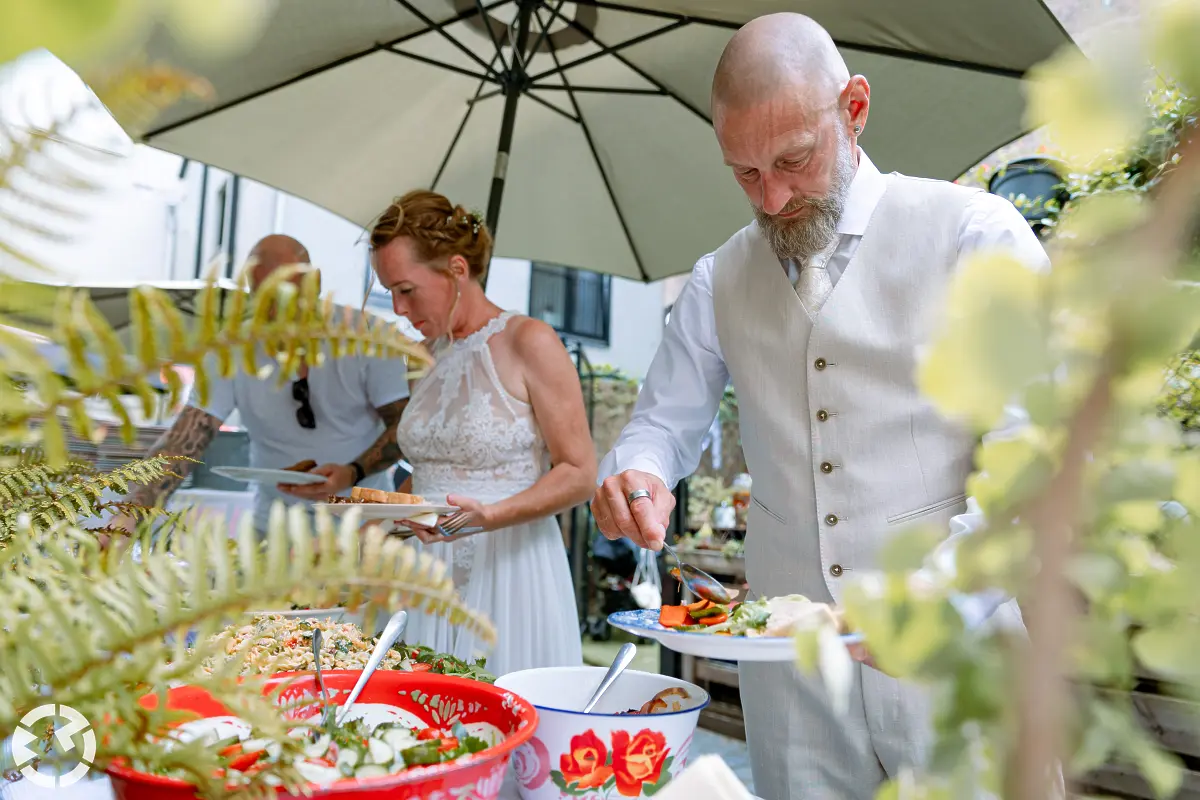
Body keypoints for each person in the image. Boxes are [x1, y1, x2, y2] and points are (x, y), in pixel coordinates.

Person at [591, 14, 1048, 800]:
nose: (771, 197)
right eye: (743, 173)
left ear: (855, 109)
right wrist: (636, 472)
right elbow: (661, 425)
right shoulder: (717, 278)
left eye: (793, 161)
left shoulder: (975, 235)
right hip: (791, 684)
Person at [369, 189, 592, 676]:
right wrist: (376, 520)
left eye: (406, 289)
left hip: (510, 570)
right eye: (389, 291)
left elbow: (579, 472)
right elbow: (433, 472)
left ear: (455, 269)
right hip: (423, 575)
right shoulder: (422, 357)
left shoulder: (529, 340)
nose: (398, 308)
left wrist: (490, 515)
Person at [115, 234, 411, 537]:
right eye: (264, 301)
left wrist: (353, 471)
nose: (276, 315)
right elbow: (183, 441)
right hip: (271, 527)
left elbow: (404, 427)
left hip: (362, 527)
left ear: (316, 283)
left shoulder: (369, 336)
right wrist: (129, 515)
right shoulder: (231, 348)